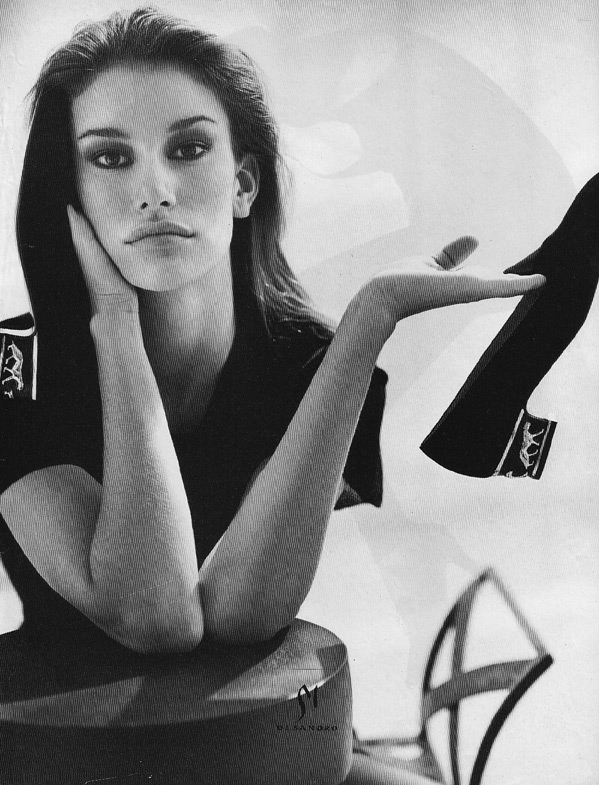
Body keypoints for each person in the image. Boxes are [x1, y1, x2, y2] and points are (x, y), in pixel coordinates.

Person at [0, 8, 545, 783]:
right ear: (72, 196)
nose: (154, 190)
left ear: (243, 182)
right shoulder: (12, 370)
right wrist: (114, 324)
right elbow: (154, 613)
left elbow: (241, 613)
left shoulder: (309, 363)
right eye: (111, 158)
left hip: (262, 746)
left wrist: (368, 321)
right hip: (57, 758)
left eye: (187, 148)